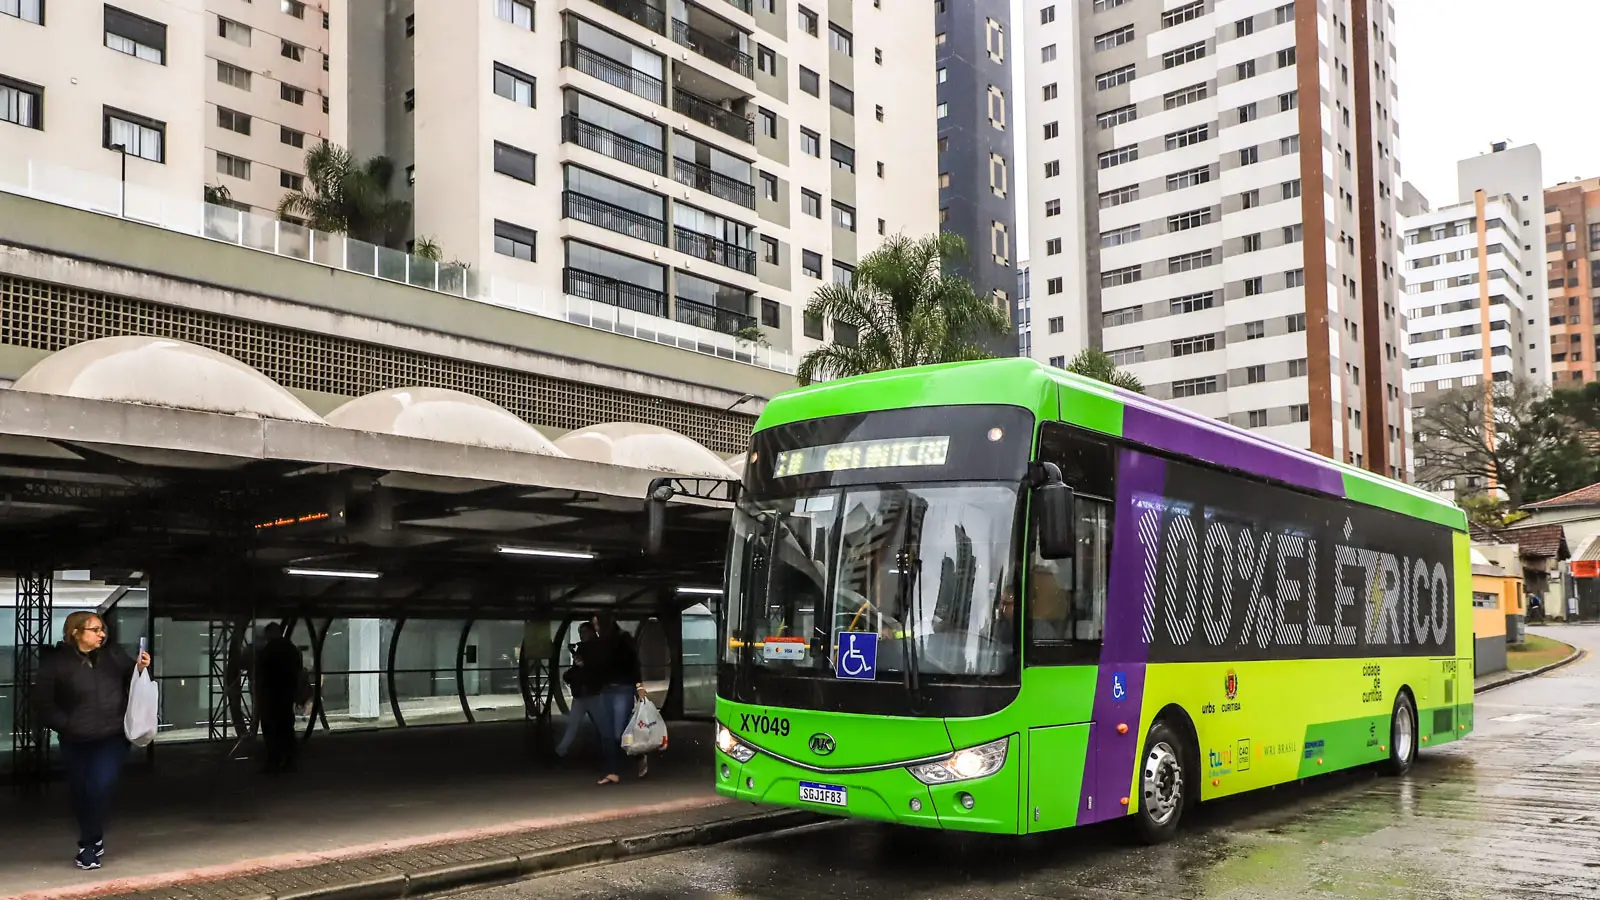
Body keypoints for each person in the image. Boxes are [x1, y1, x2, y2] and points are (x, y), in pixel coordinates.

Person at [34, 611, 151, 871]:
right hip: (75, 740)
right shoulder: (55, 664)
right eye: (94, 629)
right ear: (75, 632)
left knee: (100, 786)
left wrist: (140, 667)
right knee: (81, 793)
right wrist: (67, 724)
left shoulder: (113, 655)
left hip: (111, 737)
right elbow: (43, 703)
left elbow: (132, 676)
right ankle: (93, 838)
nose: (102, 634)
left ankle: (88, 844)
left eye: (102, 629)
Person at [586, 615, 649, 785]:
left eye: (597, 624)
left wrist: (639, 686)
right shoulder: (599, 644)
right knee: (606, 733)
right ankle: (612, 772)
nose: (596, 628)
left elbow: (633, 663)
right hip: (605, 691)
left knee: (619, 732)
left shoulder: (624, 639)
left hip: (623, 689)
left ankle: (639, 753)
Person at [255, 622, 304, 774]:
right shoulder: (292, 649)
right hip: (286, 694)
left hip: (271, 695)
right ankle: (289, 761)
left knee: (271, 729)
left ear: (269, 634)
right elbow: (298, 672)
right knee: (286, 727)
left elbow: (261, 674)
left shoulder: (267, 651)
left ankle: (273, 762)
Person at [555, 622, 599, 759]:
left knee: (601, 725)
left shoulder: (597, 649)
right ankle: (561, 750)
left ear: (592, 632)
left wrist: (581, 667)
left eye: (585, 631)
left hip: (592, 693)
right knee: (576, 724)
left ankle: (561, 750)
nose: (582, 635)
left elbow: (596, 671)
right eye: (581, 632)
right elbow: (577, 670)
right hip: (584, 693)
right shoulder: (584, 649)